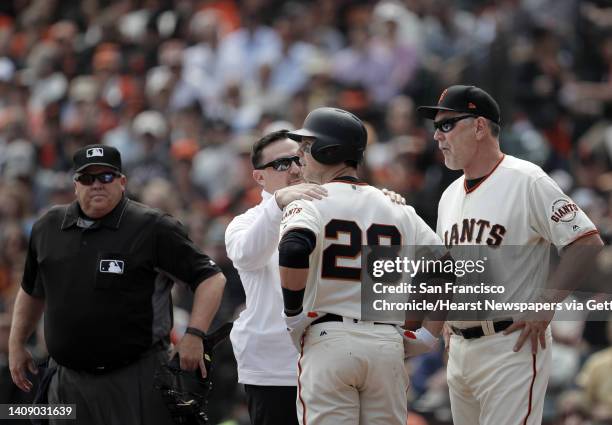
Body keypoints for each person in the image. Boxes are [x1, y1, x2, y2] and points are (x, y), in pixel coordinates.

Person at [417, 85, 604, 425]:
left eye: (447, 125)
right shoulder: (448, 196)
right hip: (460, 349)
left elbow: (586, 241)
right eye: (436, 127)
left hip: (511, 346)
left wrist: (546, 303)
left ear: (479, 126)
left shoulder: (527, 179)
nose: (437, 136)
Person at [8, 144, 226, 425]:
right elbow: (32, 290)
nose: (97, 185)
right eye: (88, 178)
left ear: (122, 182)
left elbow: (211, 277)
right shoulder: (48, 226)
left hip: (135, 376)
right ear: (76, 184)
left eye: (106, 177)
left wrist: (194, 334)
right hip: (67, 379)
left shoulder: (152, 226)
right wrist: (16, 343)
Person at [277, 107, 444, 425]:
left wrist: (293, 314)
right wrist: (427, 334)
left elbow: (294, 248)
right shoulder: (396, 207)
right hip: (386, 343)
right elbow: (445, 267)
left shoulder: (310, 200)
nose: (300, 154)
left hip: (329, 338)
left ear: (328, 150)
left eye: (306, 145)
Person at [225, 129, 327, 425]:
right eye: (282, 164)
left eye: (298, 159)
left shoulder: (331, 208)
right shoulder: (244, 222)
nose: (295, 169)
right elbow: (247, 254)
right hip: (273, 366)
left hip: (331, 359)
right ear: (259, 177)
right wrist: (279, 203)